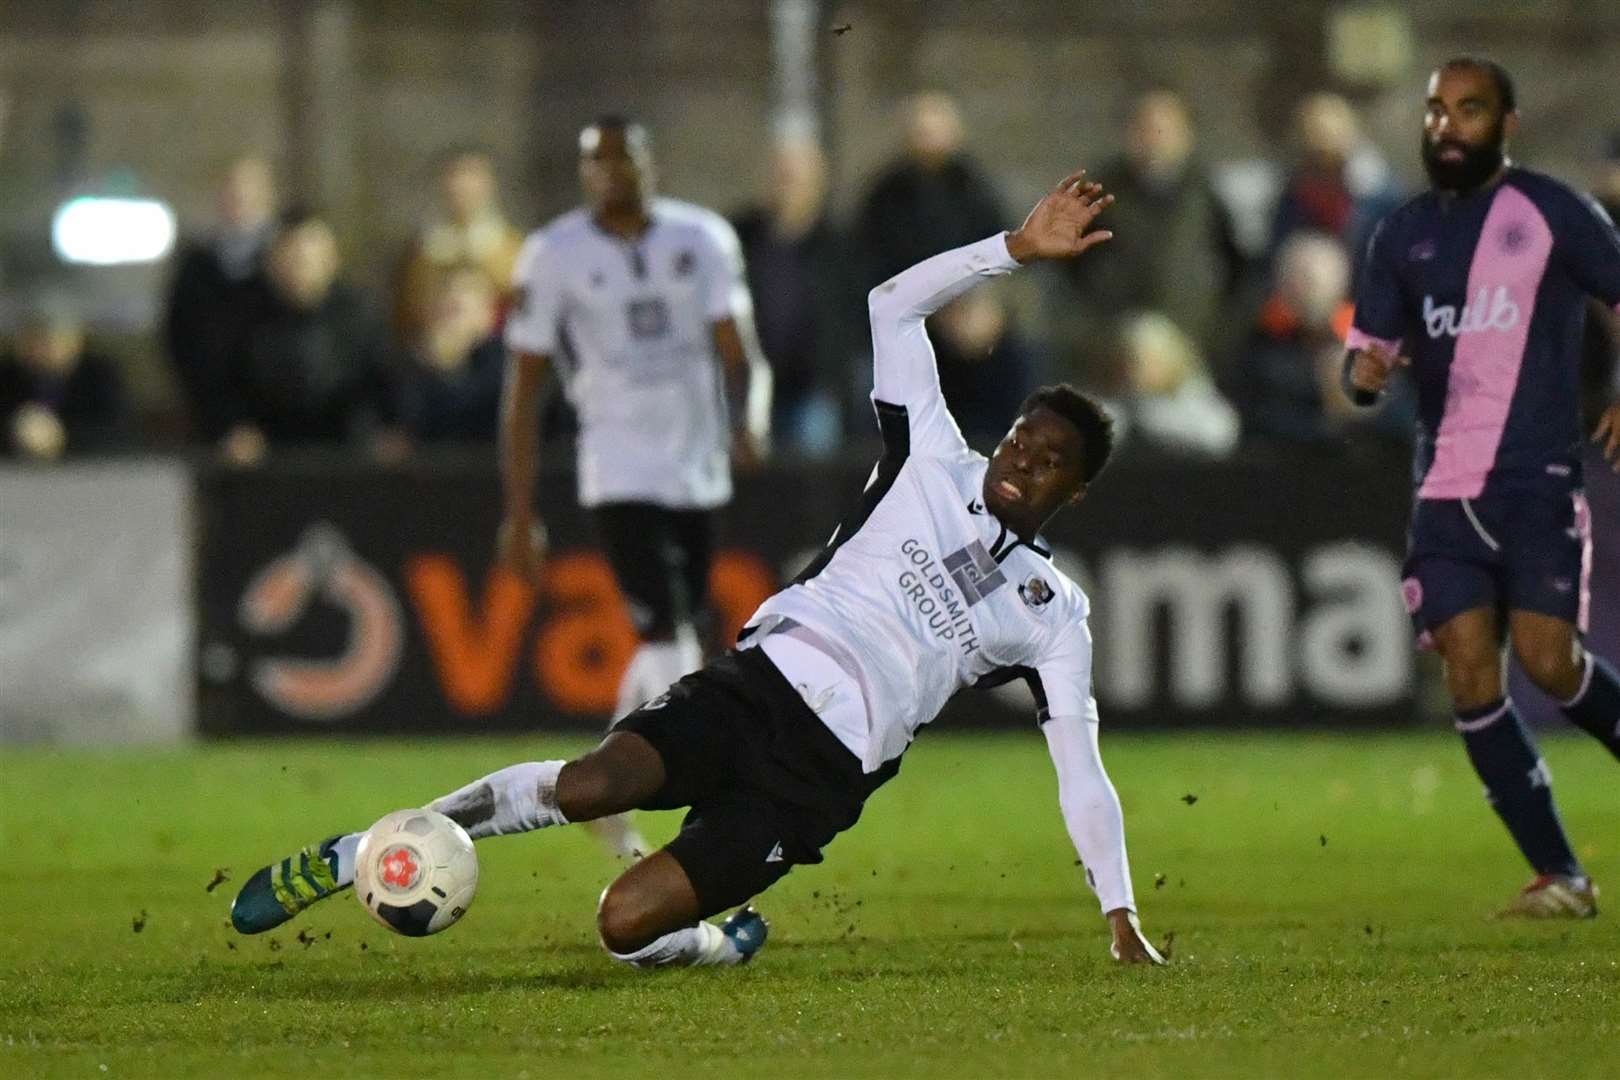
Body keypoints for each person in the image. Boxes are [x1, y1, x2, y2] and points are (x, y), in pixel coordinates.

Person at [229, 168, 1166, 968]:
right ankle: (363, 849)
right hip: (756, 688)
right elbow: (890, 304)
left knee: (623, 927)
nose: (1018, 459)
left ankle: (717, 944)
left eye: (1047, 461)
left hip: (819, 777)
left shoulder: (1052, 612)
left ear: (1073, 493)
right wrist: (1012, 249)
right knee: (593, 785)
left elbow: (1080, 767)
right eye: (1018, 438)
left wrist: (1118, 908)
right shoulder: (930, 458)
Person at [1343, 57, 1620, 917]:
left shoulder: (1554, 210)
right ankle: (1561, 877)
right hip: (1444, 488)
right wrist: (1362, 374)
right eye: (1435, 111)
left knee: (1551, 661)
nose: (1445, 126)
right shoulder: (1400, 234)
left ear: (1508, 122)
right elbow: (1370, 351)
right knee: (1470, 674)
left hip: (1535, 482)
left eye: (1467, 110)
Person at [497, 117, 772, 857]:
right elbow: (524, 387)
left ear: (653, 162)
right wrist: (519, 511)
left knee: (676, 635)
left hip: (698, 467)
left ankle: (599, 785)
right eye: (600, 159)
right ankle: (671, 791)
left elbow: (740, 349)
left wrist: (750, 417)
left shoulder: (702, 238)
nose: (616, 171)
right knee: (670, 640)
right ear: (583, 172)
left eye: (628, 156)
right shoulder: (553, 255)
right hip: (617, 469)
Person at [1049, 89, 1243, 384]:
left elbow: (1238, 273)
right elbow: (1063, 276)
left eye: (1166, 128)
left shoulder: (1208, 195)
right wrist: (1099, 343)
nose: (1155, 138)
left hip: (1190, 359)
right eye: (1145, 127)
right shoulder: (1098, 195)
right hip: (1111, 363)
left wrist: (1211, 340)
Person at [222, 208, 398, 465]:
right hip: (267, 458)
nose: (299, 268)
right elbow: (226, 385)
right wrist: (237, 429)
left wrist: (379, 432)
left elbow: (380, 382)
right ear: (272, 262)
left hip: (349, 456)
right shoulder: (243, 317)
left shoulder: (360, 314)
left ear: (331, 261)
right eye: (290, 257)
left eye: (308, 259)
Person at [732, 136, 861, 458]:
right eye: (780, 176)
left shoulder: (839, 246)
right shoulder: (738, 237)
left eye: (796, 178)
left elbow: (852, 319)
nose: (786, 186)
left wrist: (833, 375)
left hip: (812, 387)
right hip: (748, 386)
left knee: (811, 476)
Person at [164, 155, 278, 444]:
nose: (239, 202)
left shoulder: (280, 264)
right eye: (232, 193)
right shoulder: (197, 267)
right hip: (210, 419)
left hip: (278, 424)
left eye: (248, 194)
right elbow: (180, 339)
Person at [393, 147, 525, 340]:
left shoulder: (514, 248)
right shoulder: (423, 251)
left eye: (472, 175)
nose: (462, 186)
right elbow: (409, 310)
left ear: (489, 184)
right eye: (454, 176)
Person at [0, 299, 129, 460]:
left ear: (74, 341)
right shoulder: (6, 376)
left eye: (49, 339)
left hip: (85, 476)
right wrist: (16, 433)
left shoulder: (100, 376)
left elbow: (119, 434)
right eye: (32, 339)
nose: (39, 349)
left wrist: (60, 437)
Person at [395, 264, 506, 446]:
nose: (453, 296)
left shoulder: (505, 362)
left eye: (467, 291)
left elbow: (474, 412)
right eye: (446, 291)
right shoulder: (412, 361)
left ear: (490, 310)